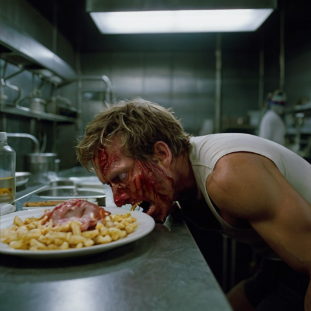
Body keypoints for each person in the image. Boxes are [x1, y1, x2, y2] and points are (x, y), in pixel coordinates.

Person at [76, 98, 311, 311]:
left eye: (122, 177)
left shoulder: (227, 177)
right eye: (110, 185)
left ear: (160, 154)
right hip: (278, 262)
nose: (118, 199)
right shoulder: (178, 176)